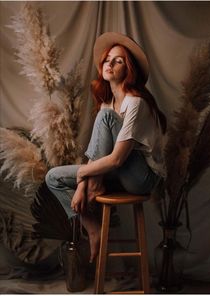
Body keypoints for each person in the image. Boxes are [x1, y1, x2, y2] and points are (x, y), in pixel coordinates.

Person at [45, 32, 167, 263]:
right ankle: (92, 227)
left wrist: (84, 175)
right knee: (53, 178)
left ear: (128, 70)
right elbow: (101, 154)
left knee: (106, 118)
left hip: (141, 178)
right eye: (108, 59)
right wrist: (82, 186)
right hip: (116, 172)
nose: (110, 63)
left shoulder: (135, 103)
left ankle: (94, 187)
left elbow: (117, 160)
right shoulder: (108, 103)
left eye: (118, 60)